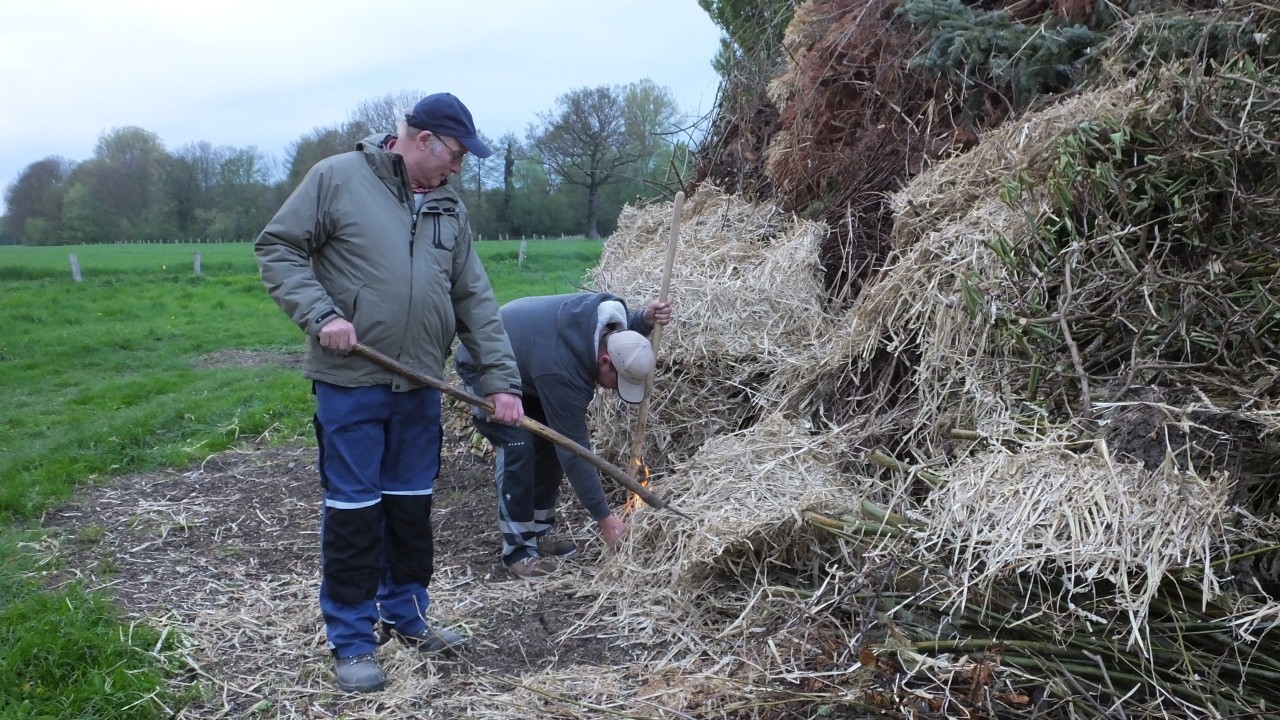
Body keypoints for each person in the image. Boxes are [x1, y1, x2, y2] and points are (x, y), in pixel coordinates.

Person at [255, 93, 524, 694]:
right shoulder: (337, 178)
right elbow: (277, 248)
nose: (457, 169)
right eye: (453, 155)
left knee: (409, 508)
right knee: (354, 512)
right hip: (352, 382)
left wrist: (502, 381)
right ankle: (352, 639)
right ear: (422, 138)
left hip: (420, 385)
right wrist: (321, 314)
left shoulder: (450, 208)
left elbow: (473, 298)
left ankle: (407, 614)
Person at [455, 292, 673, 579]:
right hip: (483, 361)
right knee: (519, 445)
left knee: (550, 444)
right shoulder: (563, 373)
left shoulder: (612, 319)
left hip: (530, 365)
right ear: (605, 361)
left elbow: (620, 333)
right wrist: (605, 519)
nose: (612, 389)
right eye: (616, 381)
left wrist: (641, 321)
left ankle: (539, 532)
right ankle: (518, 550)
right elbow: (574, 451)